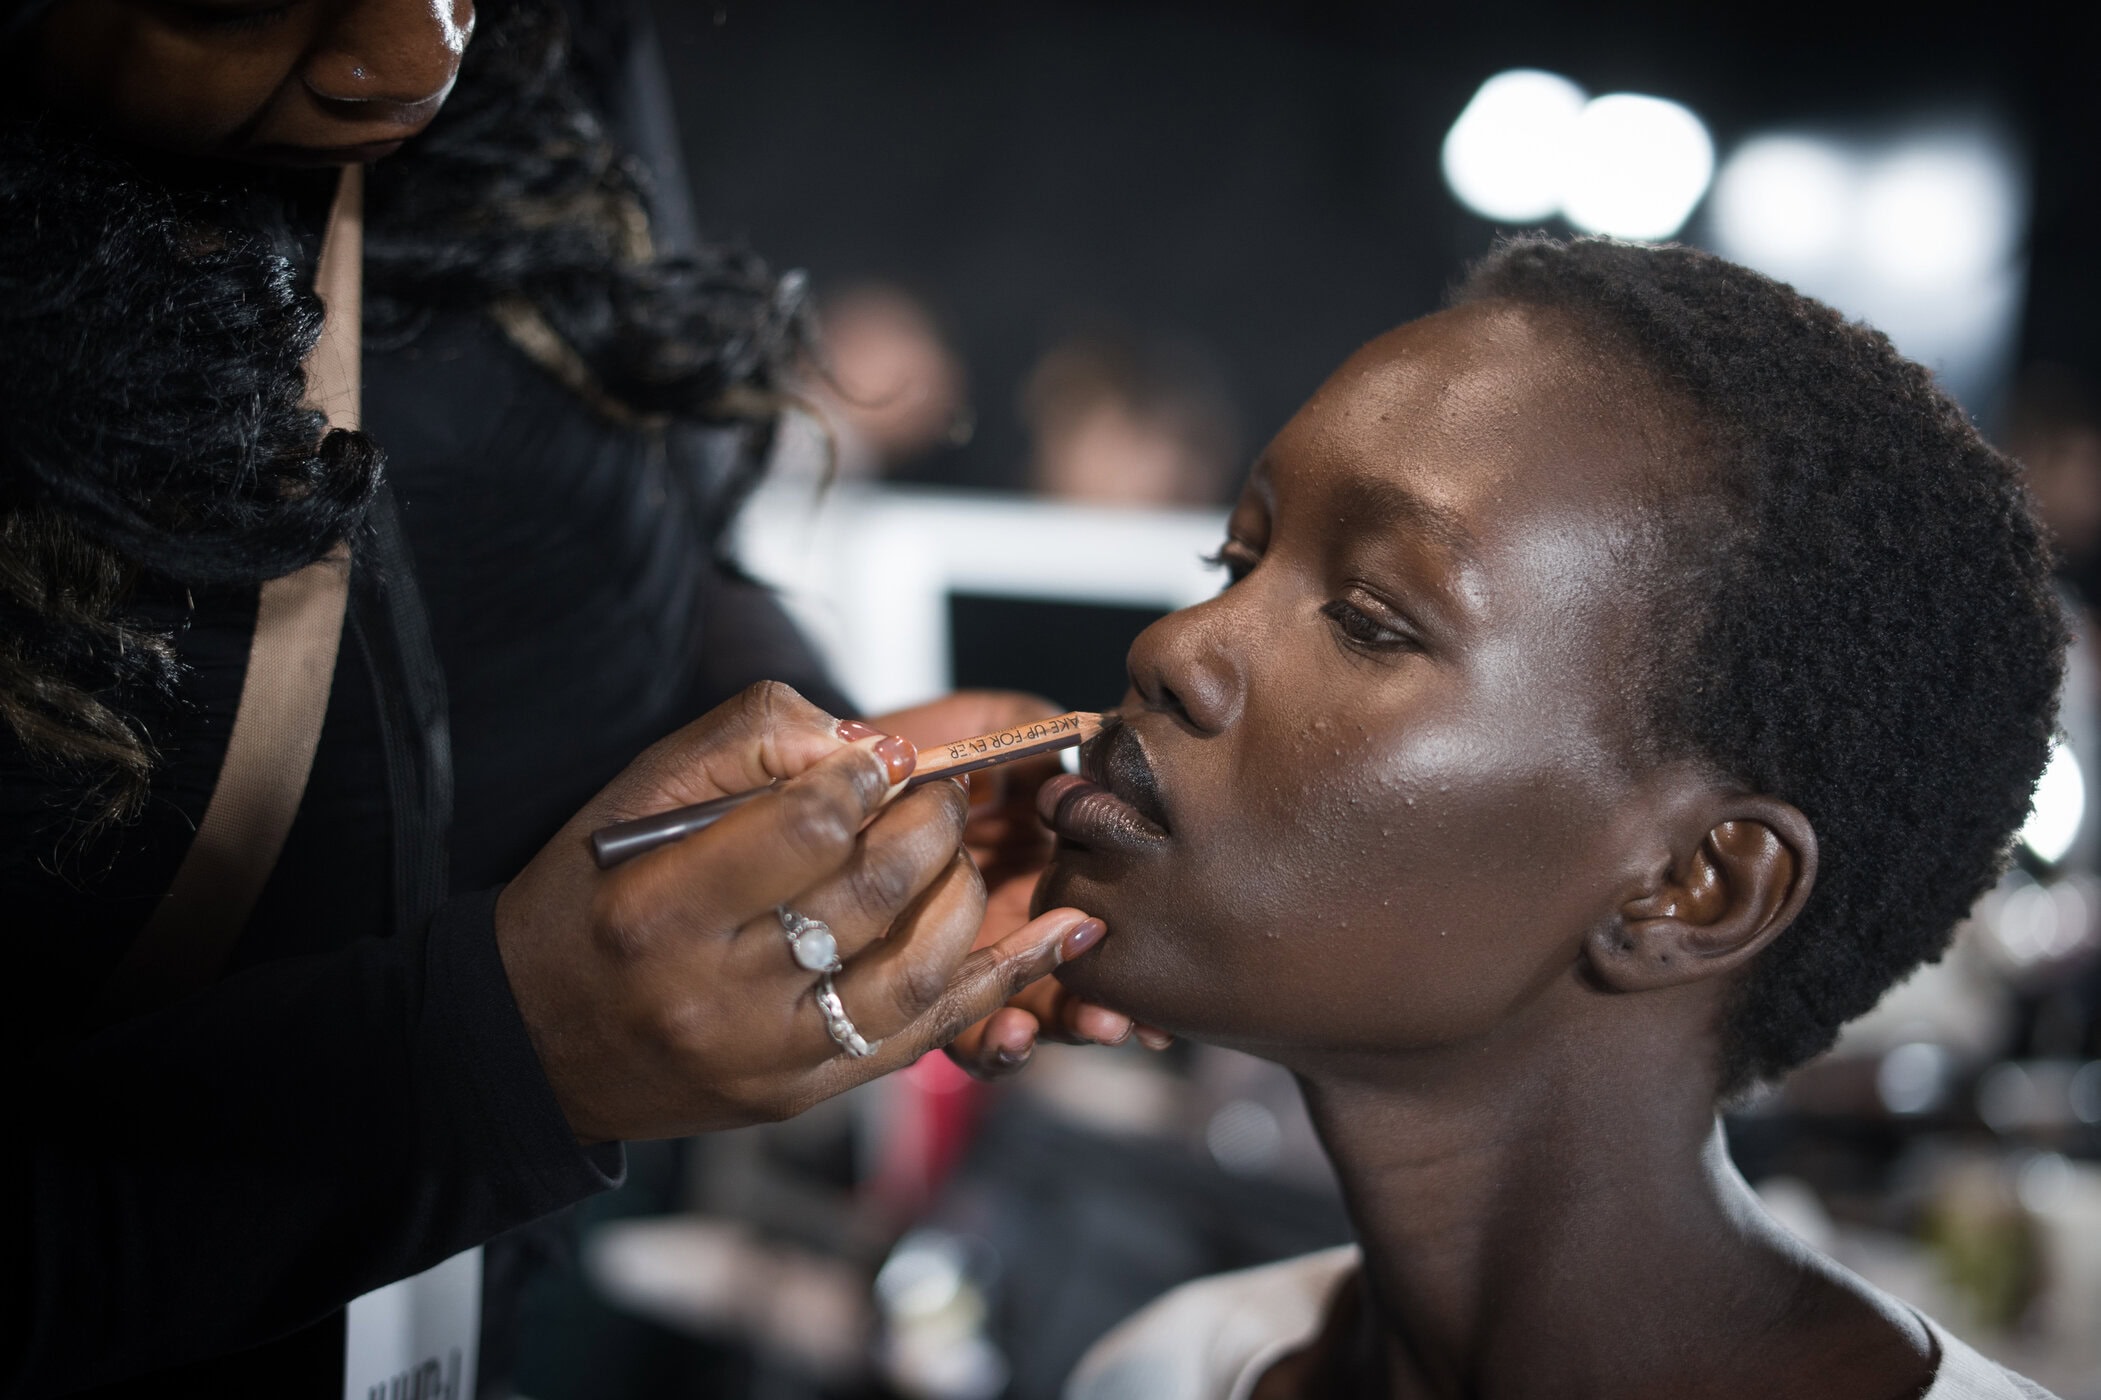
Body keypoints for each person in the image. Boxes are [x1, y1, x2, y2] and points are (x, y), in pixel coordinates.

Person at [0, 2, 1131, 1395]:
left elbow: (640, 511)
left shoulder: (543, 52)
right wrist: (490, 1060)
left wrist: (840, 759)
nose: (410, 60)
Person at [1043, 237, 2066, 1399]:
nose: (1173, 647)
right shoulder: (1170, 1368)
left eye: (1372, 618)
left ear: (1692, 885)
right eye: (1235, 557)